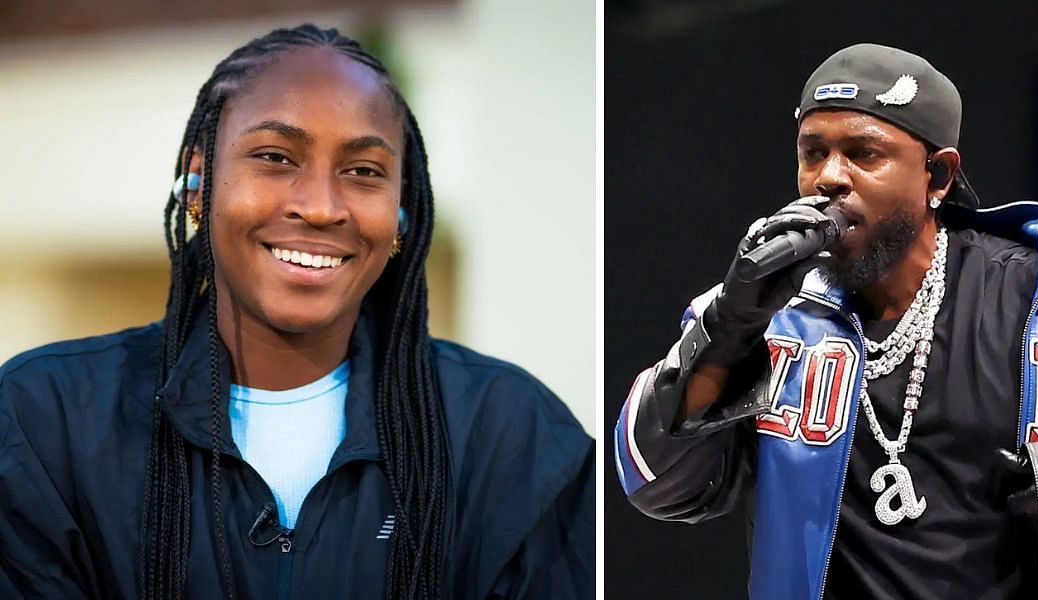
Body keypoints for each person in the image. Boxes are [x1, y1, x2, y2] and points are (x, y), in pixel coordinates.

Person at [0, 25, 594, 599]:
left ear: (401, 209)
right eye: (276, 157)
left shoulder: (511, 433)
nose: (319, 207)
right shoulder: (44, 419)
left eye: (364, 171)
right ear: (196, 184)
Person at [614, 43, 1038, 599]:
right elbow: (651, 480)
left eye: (864, 154)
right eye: (813, 151)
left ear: (938, 175)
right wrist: (731, 326)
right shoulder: (762, 314)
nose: (830, 177)